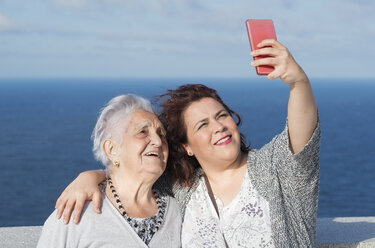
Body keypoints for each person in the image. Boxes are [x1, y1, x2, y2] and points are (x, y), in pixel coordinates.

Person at [55, 39, 320, 247]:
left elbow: (301, 134)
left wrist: (298, 81)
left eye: (222, 115)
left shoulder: (274, 170)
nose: (218, 127)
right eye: (203, 125)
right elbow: (134, 173)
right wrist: (91, 176)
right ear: (187, 146)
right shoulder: (183, 189)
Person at [37, 95, 182, 247]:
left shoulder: (177, 213)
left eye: (161, 134)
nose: (158, 141)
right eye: (143, 132)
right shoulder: (75, 214)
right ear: (112, 150)